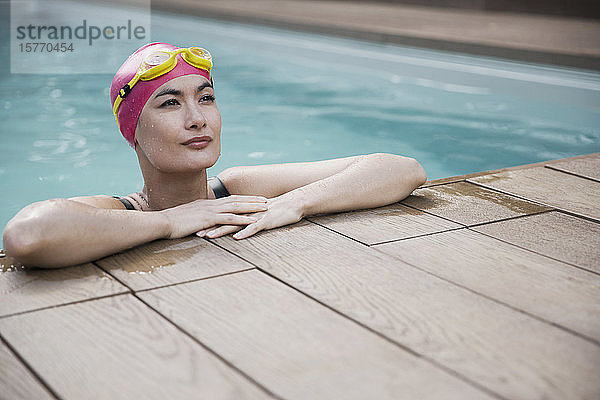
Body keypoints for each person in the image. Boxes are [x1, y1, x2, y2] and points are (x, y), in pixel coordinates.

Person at [2, 42, 427, 268]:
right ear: (132, 132)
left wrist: (293, 203)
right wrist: (168, 221)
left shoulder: (237, 189)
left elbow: (402, 169)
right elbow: (27, 235)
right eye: (169, 104)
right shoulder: (120, 211)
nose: (196, 119)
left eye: (206, 99)